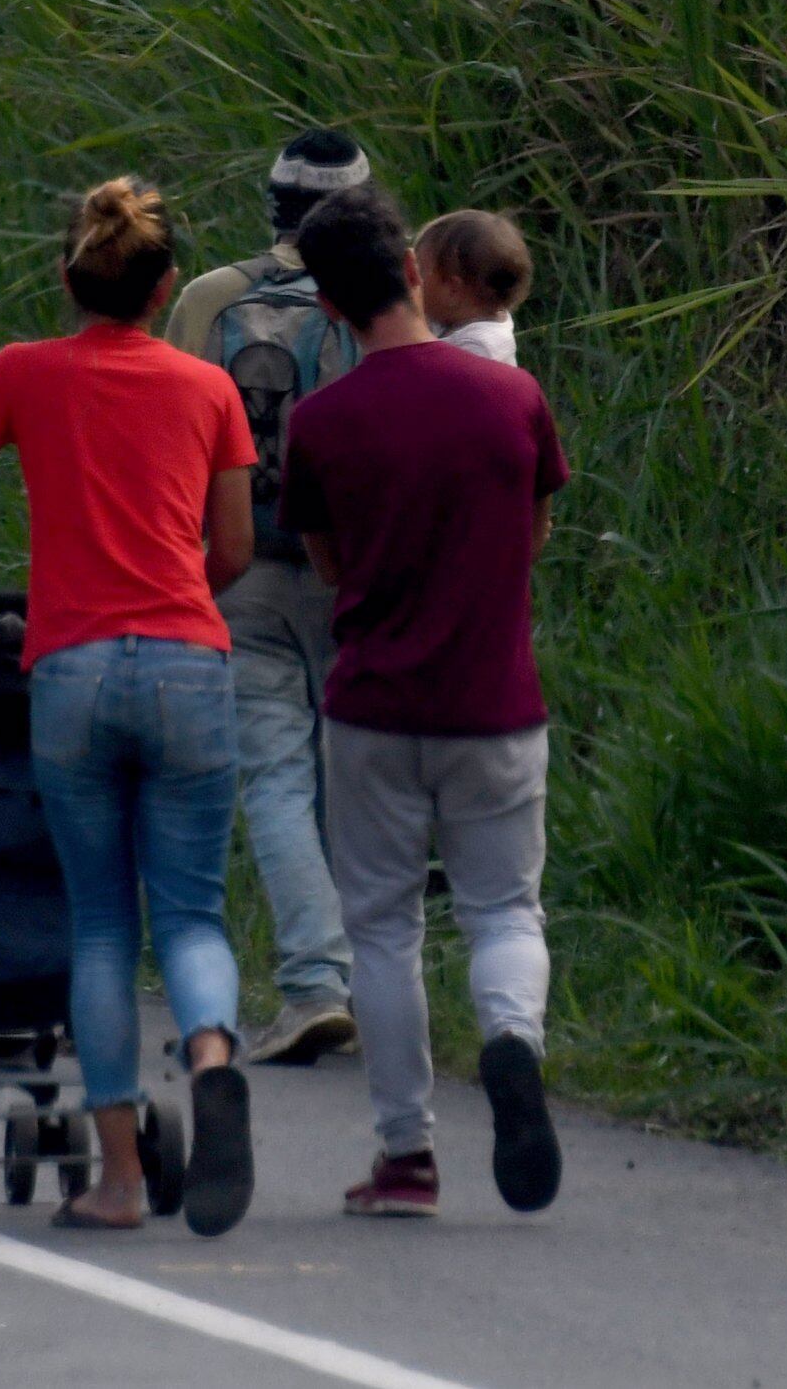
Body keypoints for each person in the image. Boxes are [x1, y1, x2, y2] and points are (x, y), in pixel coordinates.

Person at [0, 178, 259, 1236]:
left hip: (73, 671)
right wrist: (182, 594)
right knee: (191, 911)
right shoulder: (207, 389)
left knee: (101, 923)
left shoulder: (22, 372)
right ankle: (210, 1054)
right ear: (169, 286)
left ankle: (118, 1182)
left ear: (66, 280)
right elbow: (232, 548)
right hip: (190, 662)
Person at [282, 184, 568, 1220]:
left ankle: (406, 1154)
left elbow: (325, 565)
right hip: (496, 699)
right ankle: (510, 1039)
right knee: (503, 906)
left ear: (326, 308)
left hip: (374, 705)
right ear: (413, 271)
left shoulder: (319, 423)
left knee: (384, 930)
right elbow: (532, 535)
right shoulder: (514, 399)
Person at [164, 128, 371, 1065]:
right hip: (352, 567)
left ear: (273, 206)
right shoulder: (377, 299)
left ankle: (313, 985)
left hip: (238, 560)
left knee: (277, 776)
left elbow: (167, 435)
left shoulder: (214, 297)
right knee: (353, 770)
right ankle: (379, 982)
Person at [414, 209, 533, 366]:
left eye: (419, 270)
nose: (411, 279)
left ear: (452, 290)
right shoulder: (454, 317)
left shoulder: (478, 348)